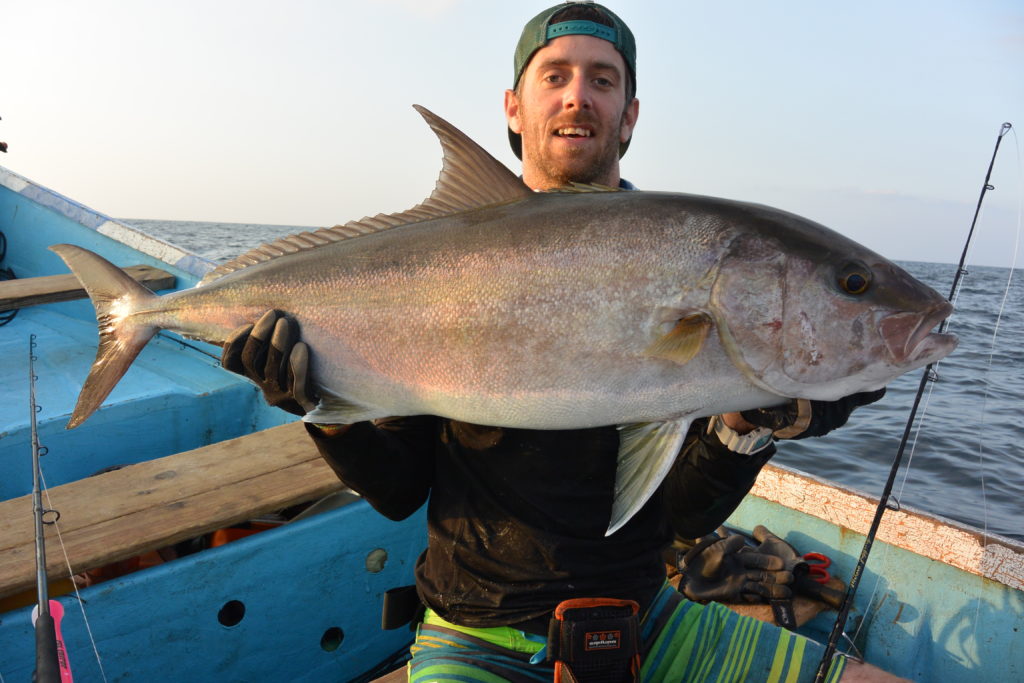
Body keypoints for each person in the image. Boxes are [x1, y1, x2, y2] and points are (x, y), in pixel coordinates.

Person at [221, 3, 900, 681]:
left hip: (647, 621)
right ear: (514, 108)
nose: (579, 94)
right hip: (474, 635)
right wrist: (321, 409)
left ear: (629, 115)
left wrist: (745, 424)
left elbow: (680, 514)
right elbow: (400, 489)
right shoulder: (440, 265)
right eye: (556, 76)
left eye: (604, 80)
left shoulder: (688, 256)